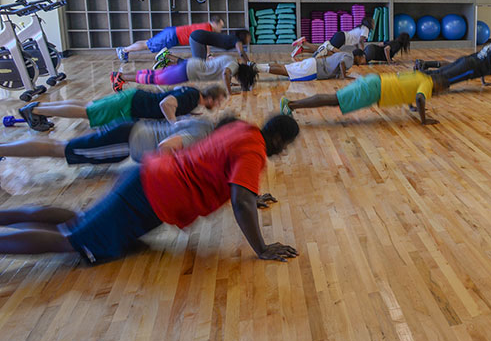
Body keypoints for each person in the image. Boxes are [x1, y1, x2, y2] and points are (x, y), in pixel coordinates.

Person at [0, 115, 300, 264]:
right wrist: (262, 249)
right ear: (277, 139)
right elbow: (240, 202)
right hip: (151, 193)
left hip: (149, 181)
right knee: (74, 241)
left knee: (78, 222)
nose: (283, 152)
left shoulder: (244, 128)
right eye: (285, 146)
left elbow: (221, 167)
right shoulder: (253, 151)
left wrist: (249, 193)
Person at [0, 116, 214, 165]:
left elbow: (176, 124)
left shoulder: (205, 124)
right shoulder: (203, 136)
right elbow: (165, 147)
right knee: (60, 149)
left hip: (132, 129)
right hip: (128, 141)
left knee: (61, 147)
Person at [19, 86, 226, 132]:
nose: (216, 106)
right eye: (217, 102)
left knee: (87, 106)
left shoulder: (193, 95)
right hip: (129, 104)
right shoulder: (191, 97)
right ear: (210, 97)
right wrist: (174, 123)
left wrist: (185, 113)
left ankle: (38, 107)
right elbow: (165, 103)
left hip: (132, 99)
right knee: (87, 112)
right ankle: (35, 111)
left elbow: (170, 98)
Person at [280, 70, 449, 125]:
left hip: (374, 81)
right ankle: (291, 105)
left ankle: (292, 104)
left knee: (334, 100)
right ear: (439, 84)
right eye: (442, 89)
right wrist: (424, 120)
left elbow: (405, 86)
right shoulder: (428, 84)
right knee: (334, 100)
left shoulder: (421, 76)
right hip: (373, 89)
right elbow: (420, 98)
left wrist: (411, 106)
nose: (440, 92)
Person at [111, 55, 257, 96]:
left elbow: (221, 69)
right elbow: (225, 73)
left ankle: (120, 75)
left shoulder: (233, 60)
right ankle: (121, 78)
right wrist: (229, 92)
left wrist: (230, 83)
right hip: (190, 71)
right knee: (156, 79)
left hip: (192, 64)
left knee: (155, 74)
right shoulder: (234, 67)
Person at [415, 34, 491, 90]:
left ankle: (415, 76)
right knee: (444, 80)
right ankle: (417, 84)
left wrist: (483, 82)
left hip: (466, 60)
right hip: (470, 68)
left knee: (440, 72)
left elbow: (484, 59)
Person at [116, 17, 224, 62]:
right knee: (148, 44)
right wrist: (208, 56)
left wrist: (208, 55)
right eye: (221, 26)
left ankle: (125, 50)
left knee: (148, 43)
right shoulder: (207, 28)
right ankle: (124, 50)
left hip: (173, 34)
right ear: (215, 24)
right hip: (172, 35)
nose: (221, 29)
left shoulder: (206, 27)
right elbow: (205, 43)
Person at [259, 49, 365, 82]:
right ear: (358, 56)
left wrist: (340, 73)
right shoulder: (350, 59)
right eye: (363, 58)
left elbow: (335, 62)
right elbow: (342, 63)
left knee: (285, 67)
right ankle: (257, 68)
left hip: (313, 62)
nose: (363, 61)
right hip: (314, 70)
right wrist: (344, 76)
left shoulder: (344, 53)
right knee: (286, 72)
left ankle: (257, 66)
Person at [291, 17, 374, 57]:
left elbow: (356, 42)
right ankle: (304, 42)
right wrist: (363, 52)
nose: (374, 24)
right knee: (325, 51)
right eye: (373, 22)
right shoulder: (366, 29)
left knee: (324, 50)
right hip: (342, 38)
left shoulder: (361, 27)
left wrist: (358, 51)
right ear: (369, 23)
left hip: (341, 36)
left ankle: (303, 50)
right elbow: (360, 41)